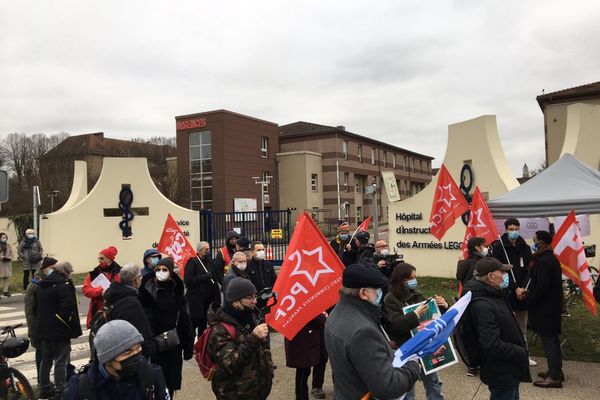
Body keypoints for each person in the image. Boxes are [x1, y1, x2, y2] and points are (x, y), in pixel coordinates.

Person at [324, 264, 421, 399]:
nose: (380, 294)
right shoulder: (363, 331)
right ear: (363, 293)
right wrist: (413, 365)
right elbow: (388, 387)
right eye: (377, 290)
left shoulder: (336, 313)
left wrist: (385, 347)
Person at [463, 257, 531, 400]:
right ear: (491, 276)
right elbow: (491, 344)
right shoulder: (482, 305)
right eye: (502, 272)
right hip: (501, 371)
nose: (505, 275)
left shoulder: (494, 294)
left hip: (508, 368)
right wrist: (520, 352)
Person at [384, 262, 448, 400]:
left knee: (435, 385)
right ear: (401, 280)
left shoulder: (417, 294)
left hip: (425, 347)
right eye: (410, 278)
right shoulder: (390, 299)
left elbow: (432, 315)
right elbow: (394, 325)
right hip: (407, 349)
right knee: (408, 390)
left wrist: (442, 306)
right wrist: (415, 315)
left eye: (415, 277)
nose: (414, 281)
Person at [63, 320, 170, 400]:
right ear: (107, 359)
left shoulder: (151, 375)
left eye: (138, 348)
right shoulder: (79, 389)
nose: (135, 355)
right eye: (127, 353)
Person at [207, 277, 274, 399]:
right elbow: (230, 364)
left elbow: (264, 347)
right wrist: (253, 338)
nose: (254, 301)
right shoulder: (219, 329)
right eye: (249, 298)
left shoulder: (251, 315)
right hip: (235, 393)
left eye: (255, 296)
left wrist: (269, 371)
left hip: (257, 391)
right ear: (234, 301)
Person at [138, 257, 194, 397]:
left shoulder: (177, 290)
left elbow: (185, 319)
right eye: (158, 270)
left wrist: (188, 346)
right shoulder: (146, 289)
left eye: (164, 270)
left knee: (170, 382)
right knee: (155, 382)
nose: (161, 272)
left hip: (173, 344)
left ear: (170, 272)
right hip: (154, 343)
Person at [34, 261, 82, 399]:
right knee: (61, 362)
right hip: (60, 329)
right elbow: (68, 308)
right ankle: (60, 390)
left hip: (44, 329)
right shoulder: (63, 285)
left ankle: (44, 388)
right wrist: (70, 326)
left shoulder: (41, 285)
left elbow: (35, 309)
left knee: (46, 360)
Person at [490, 218, 535, 366]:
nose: (514, 231)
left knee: (522, 327)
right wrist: (515, 287)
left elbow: (530, 269)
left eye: (516, 228)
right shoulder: (499, 247)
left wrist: (522, 288)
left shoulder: (525, 247)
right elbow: (500, 271)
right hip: (507, 293)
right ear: (506, 229)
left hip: (522, 295)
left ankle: (524, 354)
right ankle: (507, 356)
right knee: (506, 327)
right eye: (511, 229)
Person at [527, 231, 564, 388]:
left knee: (549, 341)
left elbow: (542, 288)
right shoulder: (549, 258)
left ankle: (554, 377)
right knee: (552, 340)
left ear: (541, 242)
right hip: (551, 307)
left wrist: (529, 300)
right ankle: (555, 370)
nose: (533, 243)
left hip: (546, 309)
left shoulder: (544, 261)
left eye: (534, 240)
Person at [103, 263, 155, 358]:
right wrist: (149, 350)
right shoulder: (132, 303)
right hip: (134, 354)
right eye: (140, 277)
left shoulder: (114, 294)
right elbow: (141, 330)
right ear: (136, 280)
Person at [285, 314, 328, 400]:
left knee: (302, 373)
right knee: (303, 374)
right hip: (303, 343)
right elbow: (318, 319)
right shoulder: (303, 306)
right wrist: (324, 316)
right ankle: (301, 397)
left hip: (298, 342)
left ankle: (300, 396)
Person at [184, 241, 221, 337]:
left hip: (208, 301)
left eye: (209, 249)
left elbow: (214, 279)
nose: (208, 251)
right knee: (194, 324)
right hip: (197, 301)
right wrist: (204, 277)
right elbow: (188, 280)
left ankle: (202, 346)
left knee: (204, 326)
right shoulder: (193, 262)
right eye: (206, 249)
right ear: (200, 251)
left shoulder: (209, 262)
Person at [83, 246, 122, 330]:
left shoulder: (119, 273)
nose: (99, 260)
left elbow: (122, 289)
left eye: (101, 258)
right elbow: (86, 290)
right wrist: (100, 291)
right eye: (99, 258)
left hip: (114, 309)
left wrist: (109, 292)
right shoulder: (94, 273)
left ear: (109, 259)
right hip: (97, 311)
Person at [247, 241, 277, 309]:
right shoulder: (248, 266)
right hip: (255, 301)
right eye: (259, 250)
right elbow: (247, 284)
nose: (262, 252)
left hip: (269, 299)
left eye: (263, 249)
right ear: (252, 251)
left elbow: (275, 280)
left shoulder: (268, 265)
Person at [0, 232, 13, 296]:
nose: (4, 238)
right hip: (1, 263)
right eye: (3, 237)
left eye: (5, 237)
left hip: (7, 263)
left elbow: (12, 253)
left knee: (6, 278)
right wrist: (2, 258)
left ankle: (6, 291)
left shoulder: (8, 245)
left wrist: (9, 258)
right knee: (1, 277)